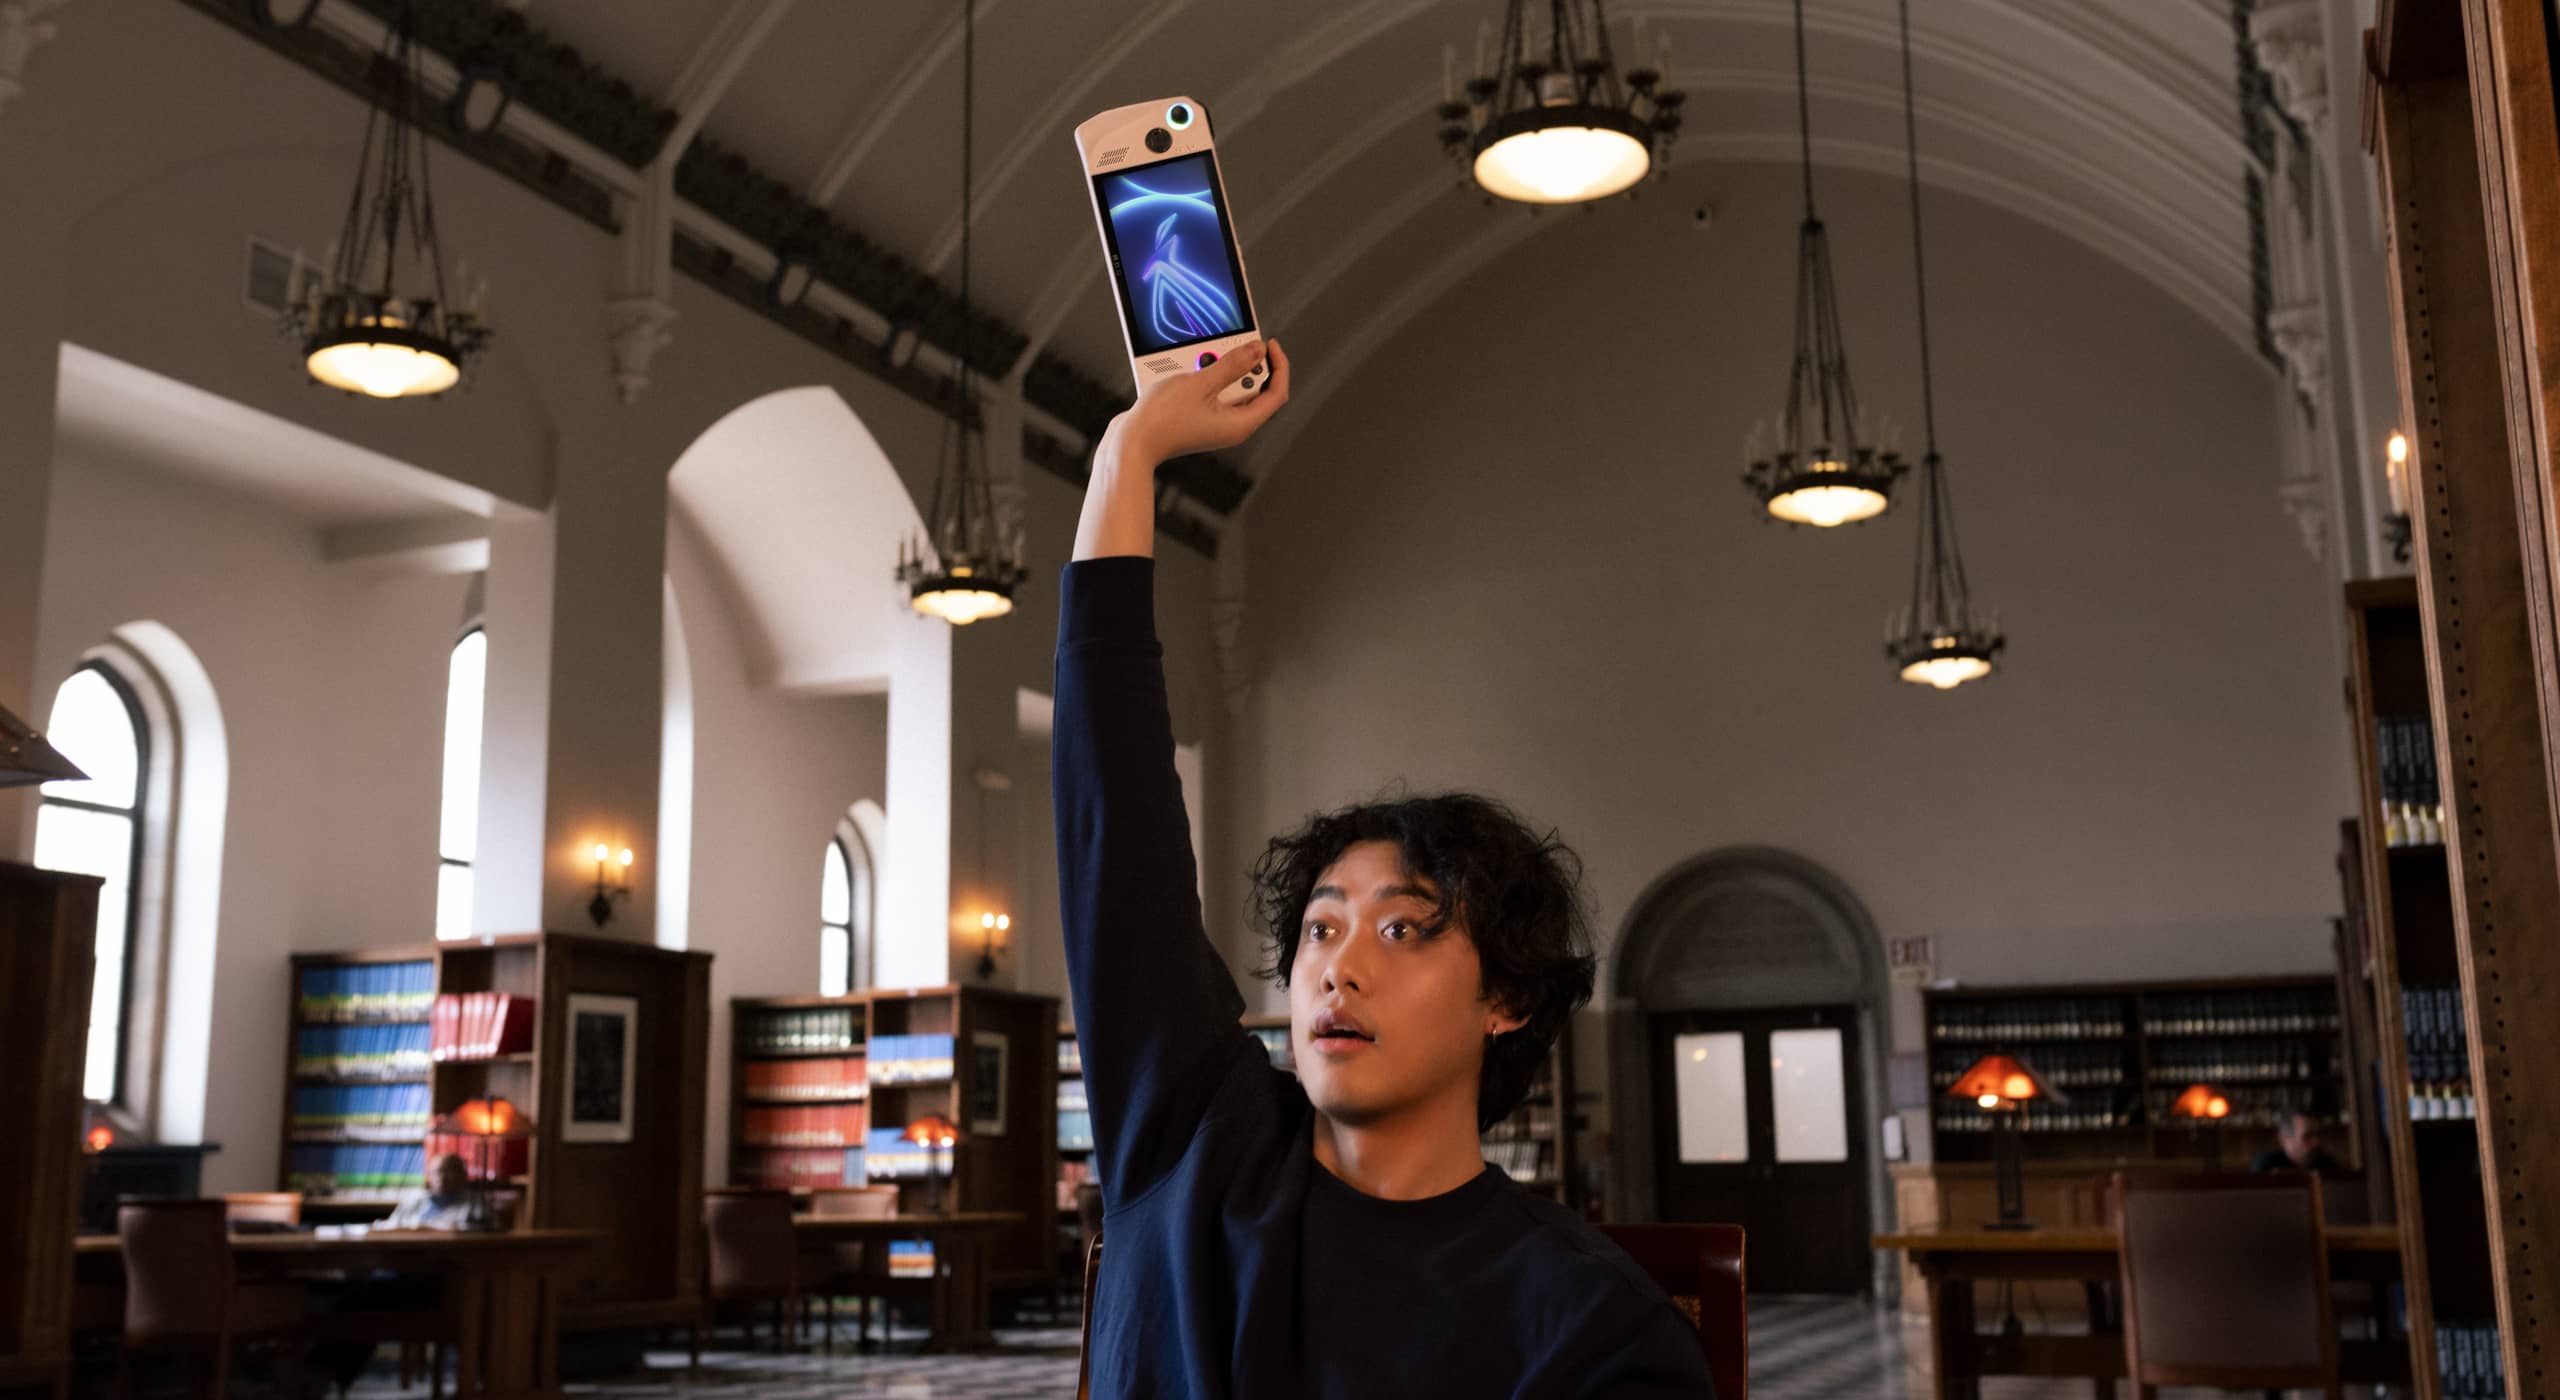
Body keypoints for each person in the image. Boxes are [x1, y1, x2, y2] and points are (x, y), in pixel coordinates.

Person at [1055, 340, 1715, 1397]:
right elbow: (1116, 831)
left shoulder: (1586, 1322)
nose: (1336, 968)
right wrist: (1127, 456)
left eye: (1402, 926)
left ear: (1505, 994)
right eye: (1321, 926)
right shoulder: (1193, 1143)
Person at [379, 1150, 476, 1230]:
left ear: (463, 1175)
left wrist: (424, 1228)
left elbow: (470, 1232)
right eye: (436, 1172)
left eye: (448, 1171)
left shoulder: (475, 1205)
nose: (441, 1177)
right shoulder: (415, 1199)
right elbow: (390, 1226)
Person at [2249, 1109, 2345, 1175]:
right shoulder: (2266, 1166)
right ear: (2285, 1138)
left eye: (2318, 1134)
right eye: (2308, 1136)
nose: (2317, 1142)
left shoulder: (2329, 1166)